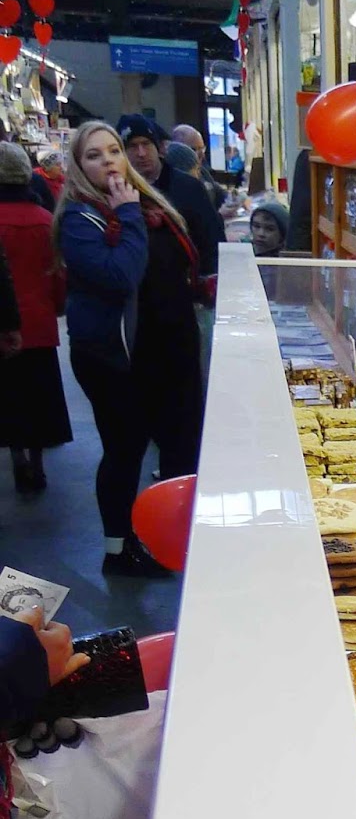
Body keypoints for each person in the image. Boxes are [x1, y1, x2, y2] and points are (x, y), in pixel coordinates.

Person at [57, 121, 203, 578]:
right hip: (113, 356)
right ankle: (118, 550)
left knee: (166, 443)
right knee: (125, 449)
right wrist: (131, 213)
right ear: (79, 167)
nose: (109, 161)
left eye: (113, 151)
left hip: (161, 347)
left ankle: (169, 539)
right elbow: (121, 274)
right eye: (94, 155)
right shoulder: (81, 219)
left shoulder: (144, 203)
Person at [0, 145, 71, 492]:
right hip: (40, 322)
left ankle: (17, 459)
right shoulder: (46, 220)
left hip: (4, 327)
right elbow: (58, 273)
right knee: (39, 398)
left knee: (8, 397)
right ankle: (38, 462)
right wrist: (58, 306)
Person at [115, 115, 221, 304]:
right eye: (132, 146)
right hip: (139, 299)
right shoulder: (118, 192)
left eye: (146, 144)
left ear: (159, 148)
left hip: (186, 297)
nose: (141, 153)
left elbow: (212, 240)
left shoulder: (188, 187)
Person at [170, 123, 225, 214]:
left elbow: (218, 192)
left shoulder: (203, 171)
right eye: (194, 149)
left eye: (202, 149)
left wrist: (234, 198)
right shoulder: (173, 180)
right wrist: (220, 215)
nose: (201, 154)